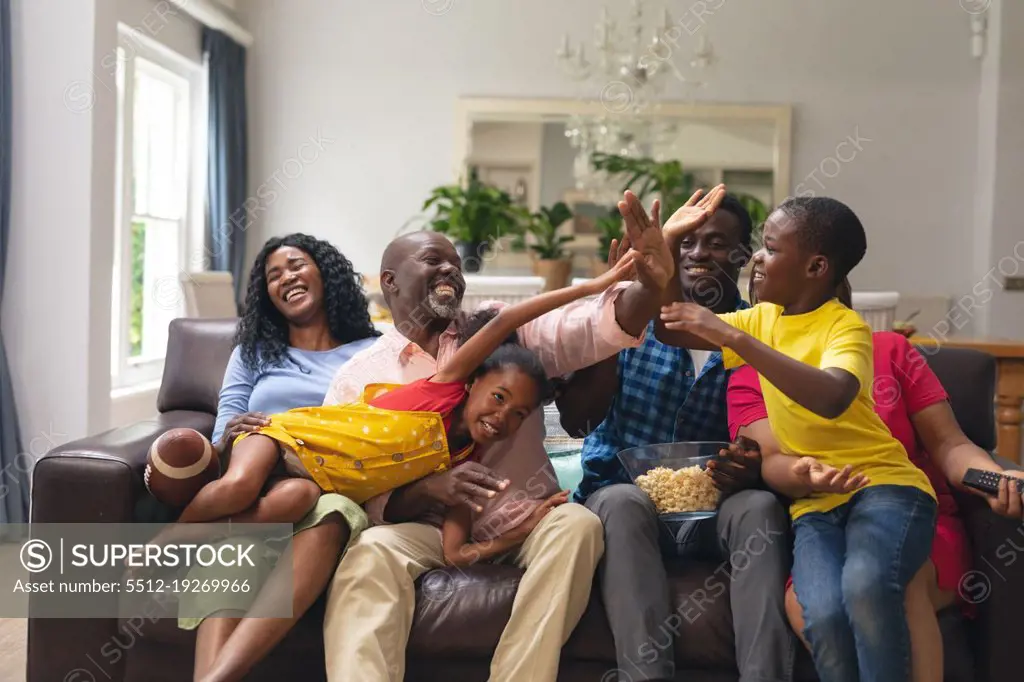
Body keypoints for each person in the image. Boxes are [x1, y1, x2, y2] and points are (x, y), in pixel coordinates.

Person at [319, 206, 677, 682]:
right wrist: (431, 489)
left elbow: (593, 328)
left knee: (577, 524)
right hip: (424, 528)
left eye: (455, 264)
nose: (449, 269)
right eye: (432, 260)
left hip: (527, 515)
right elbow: (345, 483)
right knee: (370, 553)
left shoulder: (503, 334)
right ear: (390, 281)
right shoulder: (357, 379)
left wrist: (649, 287)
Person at [658, 197, 937, 682]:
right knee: (823, 612)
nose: (756, 259)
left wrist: (737, 341)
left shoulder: (843, 327)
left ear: (815, 266)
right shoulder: (762, 319)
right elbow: (668, 325)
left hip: (886, 488)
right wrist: (664, 244)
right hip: (816, 504)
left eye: (769, 248)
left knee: (866, 584)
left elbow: (831, 395)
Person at [169, 256, 637, 525]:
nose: (503, 418)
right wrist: (593, 285)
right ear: (473, 382)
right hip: (285, 435)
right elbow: (510, 320)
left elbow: (458, 539)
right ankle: (156, 554)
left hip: (316, 477)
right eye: (498, 399)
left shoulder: (462, 452)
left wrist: (532, 515)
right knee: (238, 486)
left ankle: (210, 559)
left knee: (289, 504)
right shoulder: (445, 383)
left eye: (518, 414)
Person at [728, 278, 1024, 682]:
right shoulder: (750, 376)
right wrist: (803, 472)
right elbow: (773, 463)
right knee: (809, 606)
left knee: (893, 582)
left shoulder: (890, 350)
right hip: (826, 517)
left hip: (913, 515)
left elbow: (950, 444)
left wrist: (997, 478)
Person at [561, 186, 797, 682]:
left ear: (740, 255)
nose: (695, 254)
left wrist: (749, 468)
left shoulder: (756, 329)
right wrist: (608, 320)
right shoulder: (630, 314)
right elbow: (577, 424)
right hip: (623, 500)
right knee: (624, 503)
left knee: (760, 508)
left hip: (718, 507)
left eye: (713, 242)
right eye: (684, 242)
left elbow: (778, 430)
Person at [185, 233, 379, 682]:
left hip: (325, 482)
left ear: (325, 274)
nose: (286, 278)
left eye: (296, 265)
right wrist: (231, 437)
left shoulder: (370, 353)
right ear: (267, 294)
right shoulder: (252, 353)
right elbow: (221, 437)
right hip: (253, 474)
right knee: (238, 546)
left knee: (323, 507)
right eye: (273, 275)